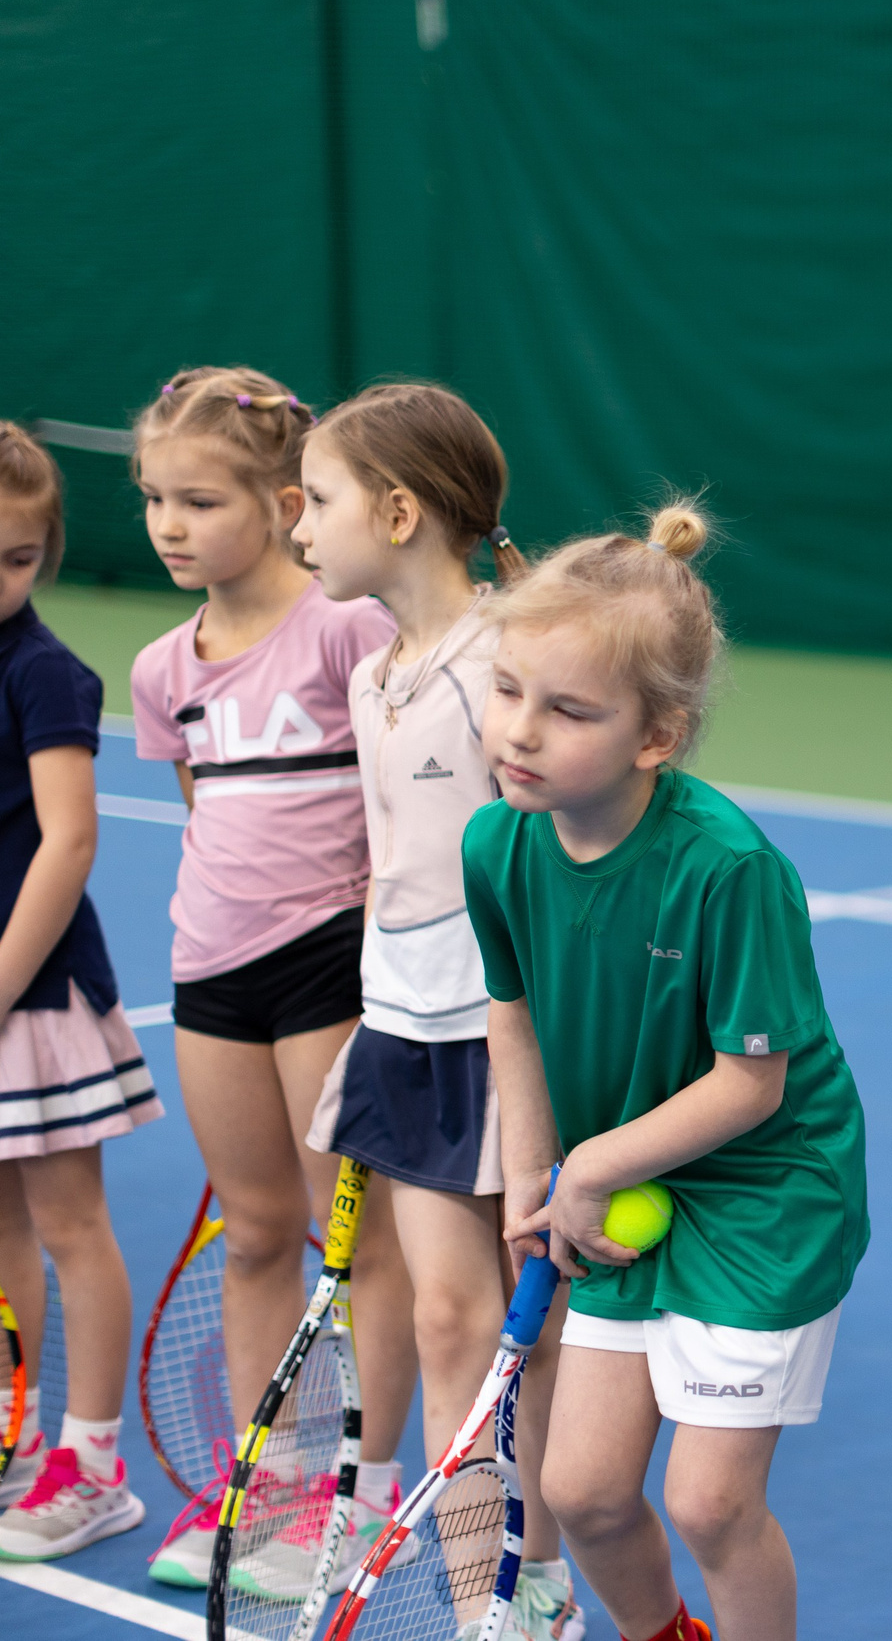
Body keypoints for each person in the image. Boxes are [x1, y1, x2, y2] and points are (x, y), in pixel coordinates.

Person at [470, 503, 870, 1641]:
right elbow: (514, 1014)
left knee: (707, 1501)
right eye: (508, 690)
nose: (521, 733)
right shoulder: (495, 844)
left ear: (658, 734)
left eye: (568, 709)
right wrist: (526, 1175)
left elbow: (753, 1085)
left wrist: (590, 1165)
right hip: (619, 1180)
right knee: (584, 1492)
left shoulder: (730, 868)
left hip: (762, 1196)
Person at [286, 381, 583, 1641]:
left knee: (525, 1330)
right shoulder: (377, 672)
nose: (298, 523)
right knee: (447, 1313)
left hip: (506, 1040)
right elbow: (395, 866)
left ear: (398, 511)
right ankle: (490, 1608)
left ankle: (541, 1569)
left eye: (317, 498)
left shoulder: (501, 668)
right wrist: (373, 1010)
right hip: (403, 1030)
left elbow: (557, 858)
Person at [127, 367, 417, 1594]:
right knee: (255, 1232)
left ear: (286, 500)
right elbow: (206, 816)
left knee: (359, 1245)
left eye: (198, 499)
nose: (168, 525)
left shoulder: (347, 627)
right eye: (152, 500)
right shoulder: (160, 667)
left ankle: (361, 1489)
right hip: (211, 971)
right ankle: (269, 1483)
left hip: (329, 968)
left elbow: (405, 792)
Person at [0, 422, 158, 1558]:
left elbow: (68, 845)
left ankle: (92, 1460)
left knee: (69, 1226)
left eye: (17, 557)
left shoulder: (43, 673)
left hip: (33, 1010)